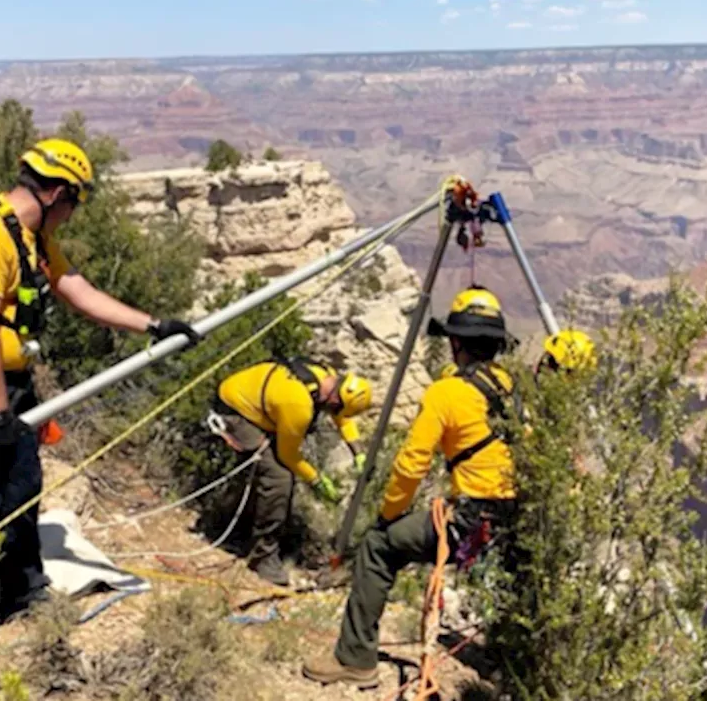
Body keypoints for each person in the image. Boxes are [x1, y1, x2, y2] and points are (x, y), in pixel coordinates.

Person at [0, 139, 201, 629]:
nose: (72, 215)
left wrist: (152, 324)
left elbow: (73, 288)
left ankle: (23, 590)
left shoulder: (31, 235)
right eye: (74, 204)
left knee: (21, 483)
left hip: (3, 380)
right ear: (58, 193)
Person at [302, 286, 519, 687]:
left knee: (377, 548)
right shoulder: (514, 387)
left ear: (456, 343)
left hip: (471, 520)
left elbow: (411, 463)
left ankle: (355, 658)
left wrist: (388, 516)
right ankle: (515, 663)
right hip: (516, 518)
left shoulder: (447, 392)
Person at [210, 358, 373, 586]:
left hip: (257, 403)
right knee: (279, 477)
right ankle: (263, 556)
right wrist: (316, 480)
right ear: (334, 397)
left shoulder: (328, 377)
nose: (333, 413)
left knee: (272, 470)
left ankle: (243, 524)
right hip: (236, 412)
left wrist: (358, 452)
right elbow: (288, 455)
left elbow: (342, 416)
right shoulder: (299, 405)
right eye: (335, 408)